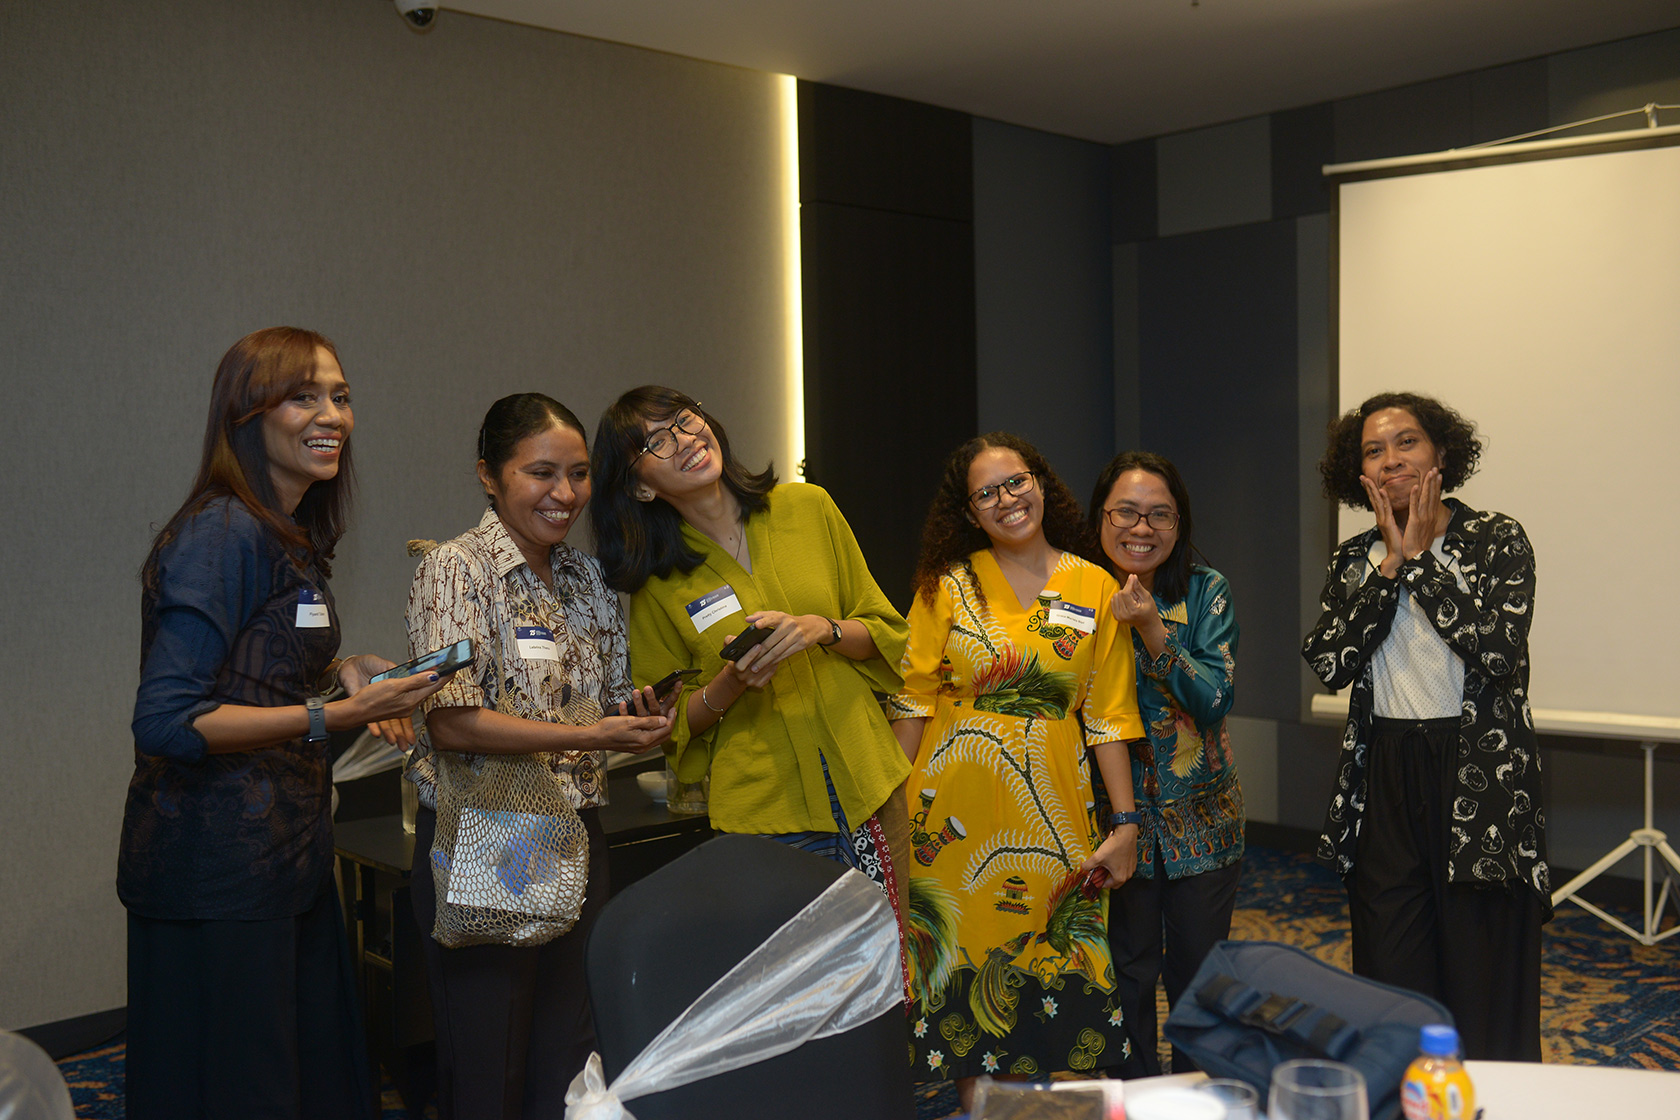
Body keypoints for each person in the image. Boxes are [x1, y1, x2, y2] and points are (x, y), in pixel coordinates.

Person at [120, 327, 448, 1120]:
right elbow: (166, 719)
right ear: (246, 415)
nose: (331, 413)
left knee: (311, 1079)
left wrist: (341, 670)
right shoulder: (221, 532)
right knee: (246, 1090)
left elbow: (251, 671)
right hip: (217, 874)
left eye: (339, 395)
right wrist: (337, 713)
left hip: (285, 863)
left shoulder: (283, 535)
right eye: (303, 395)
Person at [403, 393, 674, 1119]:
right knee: (490, 1064)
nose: (565, 494)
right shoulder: (453, 570)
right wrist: (590, 738)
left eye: (579, 474)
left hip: (579, 831)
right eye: (541, 473)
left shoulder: (587, 578)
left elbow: (605, 699)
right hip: (486, 836)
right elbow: (453, 722)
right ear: (489, 475)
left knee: (570, 1061)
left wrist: (638, 716)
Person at [888, 433, 1148, 1107]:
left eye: (1016, 482)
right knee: (970, 1009)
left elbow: (1109, 716)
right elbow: (912, 699)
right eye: (987, 493)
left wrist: (1125, 824)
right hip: (951, 822)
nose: (1007, 500)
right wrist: (890, 820)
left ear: (1041, 484)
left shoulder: (1094, 585)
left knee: (1065, 971)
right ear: (970, 513)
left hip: (1055, 814)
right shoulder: (946, 586)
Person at [590, 387, 912, 917]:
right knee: (793, 985)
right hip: (766, 813)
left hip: (867, 785)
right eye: (657, 442)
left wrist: (822, 629)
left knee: (884, 966)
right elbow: (671, 724)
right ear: (640, 488)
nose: (686, 440)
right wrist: (731, 682)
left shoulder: (808, 507)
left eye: (686, 419)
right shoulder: (659, 585)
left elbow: (885, 632)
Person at [1304, 391, 1547, 1062]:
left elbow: (1497, 652)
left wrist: (1421, 561)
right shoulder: (1356, 558)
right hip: (1385, 772)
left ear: (1441, 452)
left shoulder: (1497, 538)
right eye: (1373, 451)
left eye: (1406, 442)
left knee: (1483, 972)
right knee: (1391, 969)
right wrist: (1388, 564)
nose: (1390, 461)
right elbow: (1329, 660)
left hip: (1481, 779)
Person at [1086, 451, 1244, 1075]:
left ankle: (1195, 1101)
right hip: (1111, 820)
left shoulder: (1207, 591)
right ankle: (1133, 1099)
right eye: (1125, 511)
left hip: (1202, 820)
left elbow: (1213, 703)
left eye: (1160, 515)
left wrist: (1153, 628)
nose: (1141, 528)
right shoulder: (1075, 594)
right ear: (1100, 517)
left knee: (1199, 980)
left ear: (1180, 526)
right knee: (1124, 976)